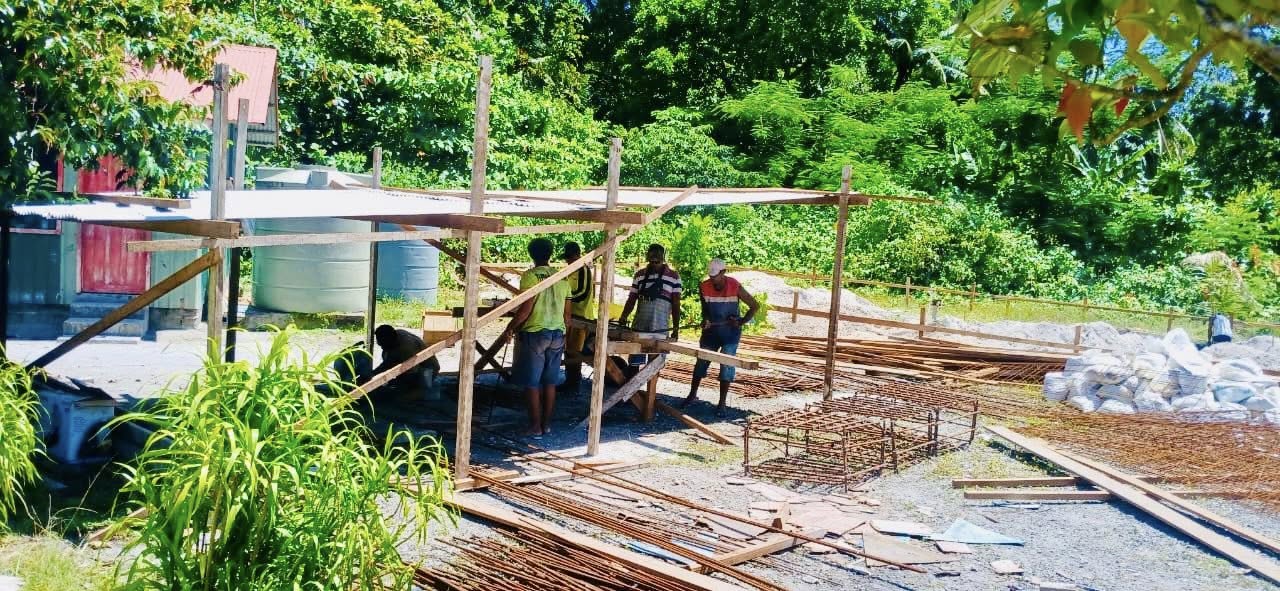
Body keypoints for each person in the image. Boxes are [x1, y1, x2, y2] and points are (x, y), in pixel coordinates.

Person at [501, 237, 571, 437]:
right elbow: (567, 315)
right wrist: (565, 335)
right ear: (550, 254)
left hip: (535, 333)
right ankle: (546, 425)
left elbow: (525, 310)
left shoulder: (530, 276)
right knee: (550, 382)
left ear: (531, 255)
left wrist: (510, 327)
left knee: (532, 382)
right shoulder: (563, 278)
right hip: (557, 334)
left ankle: (535, 426)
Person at [681, 259, 758, 416]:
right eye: (710, 276)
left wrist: (741, 321)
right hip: (711, 332)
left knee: (727, 364)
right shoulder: (704, 286)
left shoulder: (734, 285)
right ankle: (692, 395)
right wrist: (705, 320)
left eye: (715, 276)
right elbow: (705, 310)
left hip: (730, 333)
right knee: (701, 361)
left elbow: (755, 306)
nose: (712, 279)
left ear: (723, 272)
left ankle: (722, 404)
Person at [357, 324, 441, 398]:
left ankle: (423, 391)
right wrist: (372, 374)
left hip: (427, 369)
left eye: (383, 345)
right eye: (380, 345)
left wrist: (393, 382)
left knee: (403, 397)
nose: (382, 347)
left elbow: (411, 373)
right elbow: (388, 363)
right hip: (412, 364)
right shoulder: (397, 334)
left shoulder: (406, 350)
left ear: (389, 341)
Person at [618, 243, 682, 339]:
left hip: (660, 329)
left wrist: (675, 329)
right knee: (635, 349)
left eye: (657, 262)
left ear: (663, 260)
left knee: (657, 349)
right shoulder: (639, 275)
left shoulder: (674, 277)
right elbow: (631, 299)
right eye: (652, 262)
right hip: (639, 327)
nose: (654, 264)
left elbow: (676, 304)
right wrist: (623, 317)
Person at [562, 242, 596, 394]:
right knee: (568, 350)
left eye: (570, 257)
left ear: (577, 255)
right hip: (570, 315)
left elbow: (583, 292)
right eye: (567, 258)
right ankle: (569, 381)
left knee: (575, 351)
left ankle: (574, 383)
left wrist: (565, 299)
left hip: (581, 316)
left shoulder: (583, 270)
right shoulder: (569, 271)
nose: (568, 260)